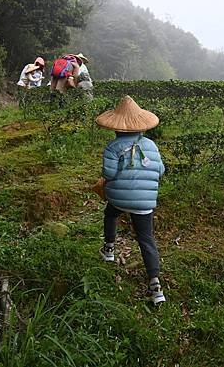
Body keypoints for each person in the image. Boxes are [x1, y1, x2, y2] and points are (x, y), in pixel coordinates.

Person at [95, 95, 166, 305]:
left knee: (110, 213)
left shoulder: (112, 146)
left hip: (119, 198)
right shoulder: (152, 145)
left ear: (116, 127)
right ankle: (156, 286)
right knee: (146, 238)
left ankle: (109, 249)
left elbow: (108, 174)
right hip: (145, 203)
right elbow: (160, 171)